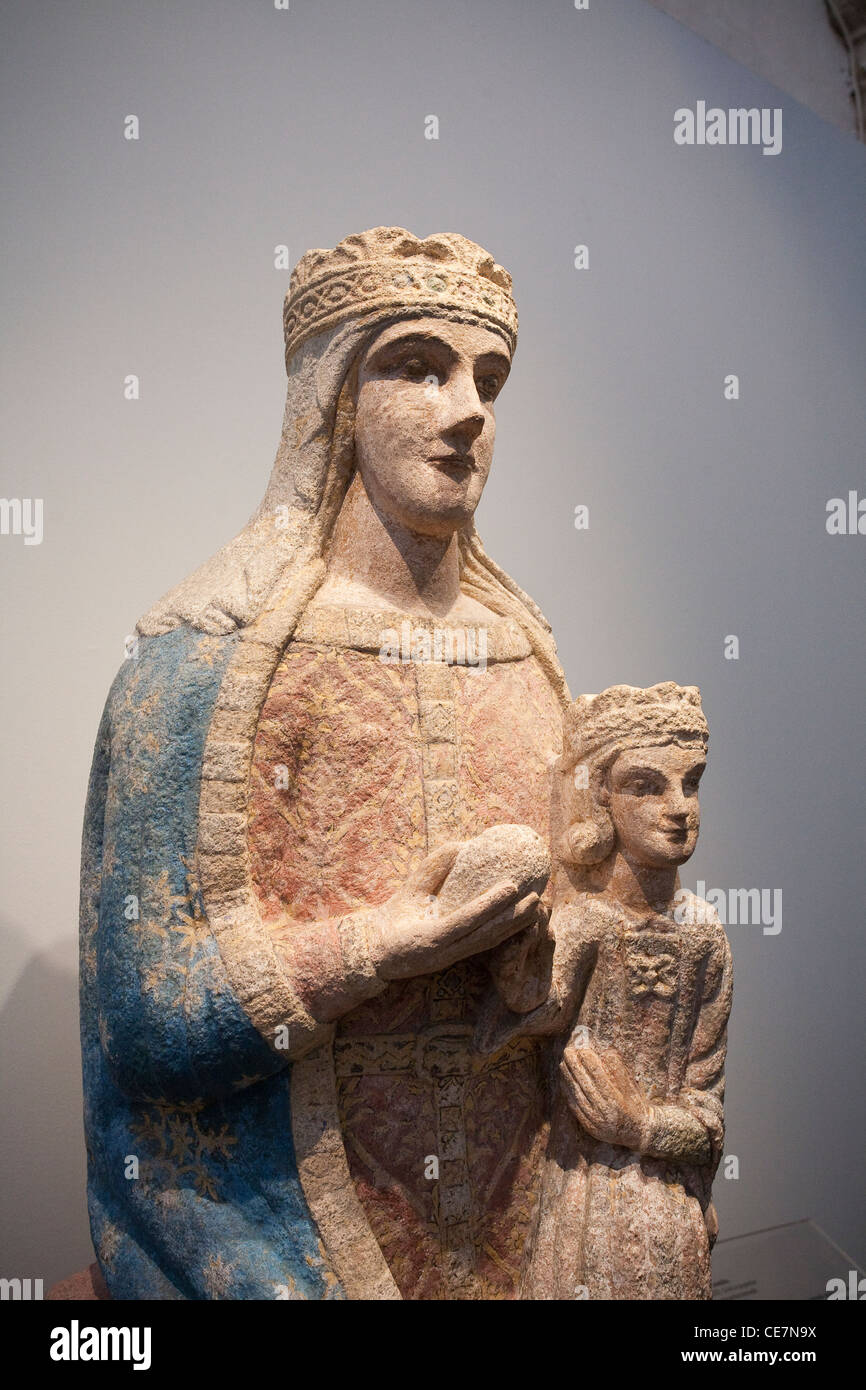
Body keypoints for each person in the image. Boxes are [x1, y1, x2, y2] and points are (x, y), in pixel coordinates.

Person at [78, 227, 571, 1299]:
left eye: (487, 377)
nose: (468, 409)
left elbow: (588, 944)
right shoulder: (195, 666)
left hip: (517, 1222)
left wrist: (564, 951)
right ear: (332, 397)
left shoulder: (528, 656)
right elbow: (147, 1020)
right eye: (415, 365)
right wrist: (387, 941)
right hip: (283, 1229)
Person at [479, 683, 733, 1300]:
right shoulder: (587, 924)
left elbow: (708, 1121)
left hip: (669, 1204)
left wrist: (640, 1124)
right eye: (647, 786)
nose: (679, 807)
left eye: (691, 783)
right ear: (603, 800)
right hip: (585, 1195)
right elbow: (515, 1019)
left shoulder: (707, 937)